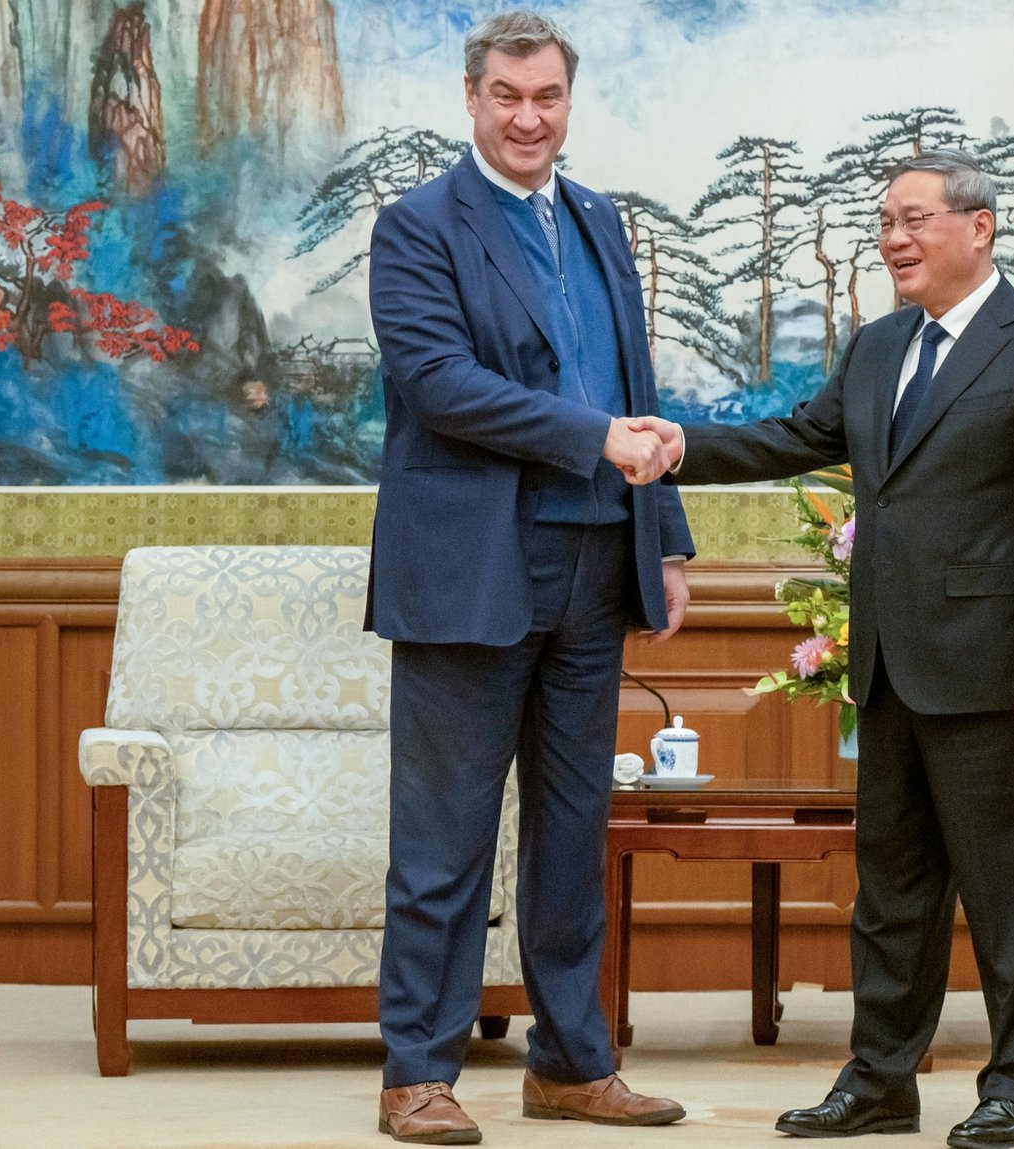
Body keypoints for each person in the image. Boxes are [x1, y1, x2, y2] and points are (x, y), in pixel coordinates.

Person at [638, 149, 1014, 1149]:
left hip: (996, 669)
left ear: (977, 228)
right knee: (890, 893)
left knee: (1008, 895)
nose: (891, 239)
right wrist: (679, 446)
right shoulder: (878, 345)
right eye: (882, 224)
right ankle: (880, 1081)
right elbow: (792, 436)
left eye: (911, 220)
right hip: (888, 666)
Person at [364, 10, 689, 1143]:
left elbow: (634, 377)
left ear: (567, 101)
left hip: (598, 562)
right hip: (471, 569)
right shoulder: (415, 228)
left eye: (546, 97)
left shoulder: (597, 218)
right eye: (506, 95)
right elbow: (440, 385)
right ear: (470, 97)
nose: (527, 117)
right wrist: (594, 438)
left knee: (571, 831)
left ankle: (568, 1063)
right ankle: (418, 1069)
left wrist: (668, 537)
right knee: (444, 835)